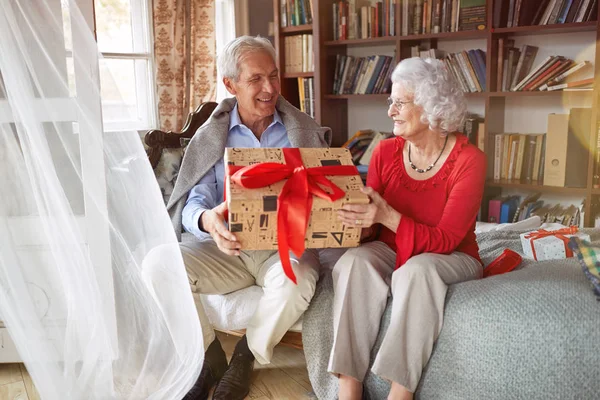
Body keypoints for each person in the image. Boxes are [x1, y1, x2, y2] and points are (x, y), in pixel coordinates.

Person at [166, 36, 331, 400]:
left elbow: (326, 192)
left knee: (299, 279)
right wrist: (208, 221)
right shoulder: (214, 136)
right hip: (228, 249)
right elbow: (197, 197)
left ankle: (246, 356)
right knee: (157, 264)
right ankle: (208, 357)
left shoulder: (300, 131)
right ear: (231, 85)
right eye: (256, 79)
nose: (270, 88)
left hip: (283, 249)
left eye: (273, 76)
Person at [328, 57, 487, 400]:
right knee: (353, 262)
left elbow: (446, 239)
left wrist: (386, 217)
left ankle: (400, 392)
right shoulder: (385, 152)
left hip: (453, 255)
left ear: (431, 107)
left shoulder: (469, 160)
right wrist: (355, 222)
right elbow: (375, 228)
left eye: (400, 103)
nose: (391, 112)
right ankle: (348, 386)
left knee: (416, 271)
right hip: (393, 246)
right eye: (391, 102)